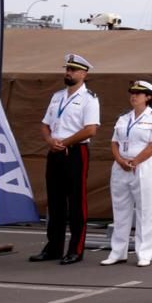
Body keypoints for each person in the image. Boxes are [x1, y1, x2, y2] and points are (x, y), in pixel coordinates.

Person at [30, 53, 101, 264]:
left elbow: (91, 130)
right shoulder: (57, 96)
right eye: (67, 69)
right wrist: (50, 140)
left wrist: (66, 142)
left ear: (84, 73)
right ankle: (54, 247)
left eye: (73, 70)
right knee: (55, 201)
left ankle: (76, 249)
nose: (68, 73)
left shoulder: (89, 99)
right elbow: (45, 124)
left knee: (77, 202)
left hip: (76, 152)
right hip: (55, 151)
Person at [103, 80, 152, 267]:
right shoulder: (124, 117)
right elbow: (114, 142)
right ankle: (118, 251)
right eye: (132, 92)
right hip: (121, 165)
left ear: (148, 97)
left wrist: (135, 161)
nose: (134, 96)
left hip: (145, 166)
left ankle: (144, 252)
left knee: (146, 209)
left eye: (138, 93)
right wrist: (120, 160)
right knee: (120, 209)